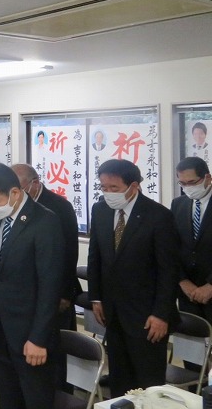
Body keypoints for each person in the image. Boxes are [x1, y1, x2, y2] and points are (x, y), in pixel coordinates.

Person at [0, 163, 63, 409]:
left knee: (35, 398)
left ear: (14, 192)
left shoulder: (45, 221)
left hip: (30, 332)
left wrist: (39, 338)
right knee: (9, 398)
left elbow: (50, 286)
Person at [87, 159, 180, 397]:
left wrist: (161, 314)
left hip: (147, 316)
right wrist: (96, 298)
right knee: (120, 377)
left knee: (148, 381)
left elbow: (168, 271)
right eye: (103, 187)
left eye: (114, 188)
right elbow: (95, 257)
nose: (108, 193)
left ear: (134, 186)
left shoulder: (158, 216)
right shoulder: (100, 210)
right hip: (112, 312)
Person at [12, 163, 80, 393]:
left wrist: (64, 293)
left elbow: (69, 254)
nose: (15, 193)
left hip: (57, 291)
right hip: (27, 292)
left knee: (56, 345)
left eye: (19, 188)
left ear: (35, 183)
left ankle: (61, 393)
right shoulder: (14, 206)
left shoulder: (59, 206)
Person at [172, 157, 212, 322]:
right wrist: (182, 281)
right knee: (192, 335)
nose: (187, 188)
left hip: (210, 287)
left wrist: (210, 285)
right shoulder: (178, 204)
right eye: (182, 183)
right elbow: (172, 246)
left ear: (207, 178)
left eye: (192, 182)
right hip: (188, 293)